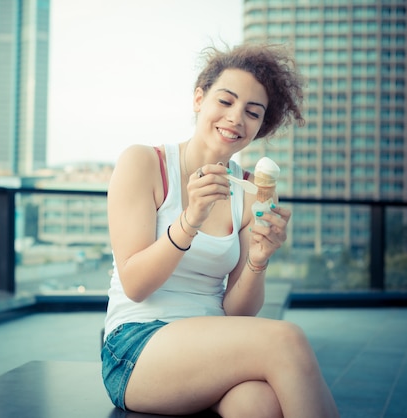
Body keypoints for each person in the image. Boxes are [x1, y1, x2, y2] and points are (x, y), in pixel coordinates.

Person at [101, 42, 340, 418]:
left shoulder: (247, 191)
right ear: (199, 98)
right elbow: (135, 284)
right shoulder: (145, 163)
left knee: (258, 405)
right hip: (136, 347)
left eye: (252, 112)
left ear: (261, 126)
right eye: (225, 101)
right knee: (285, 339)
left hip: (212, 344)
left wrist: (258, 262)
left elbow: (237, 311)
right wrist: (189, 220)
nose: (235, 118)